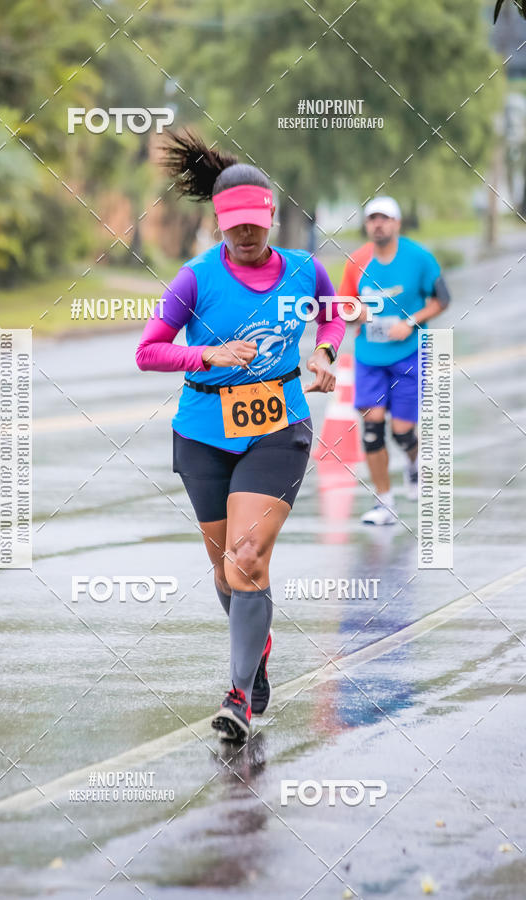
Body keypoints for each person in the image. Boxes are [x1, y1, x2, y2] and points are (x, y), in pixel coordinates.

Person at [135, 130, 345, 741]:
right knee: (228, 572)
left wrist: (326, 351)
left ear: (272, 218)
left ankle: (240, 696)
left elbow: (333, 311)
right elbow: (149, 353)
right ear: (219, 224)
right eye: (235, 226)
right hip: (202, 431)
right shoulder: (194, 280)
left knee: (247, 557)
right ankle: (256, 651)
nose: (247, 235)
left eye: (256, 223)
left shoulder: (306, 270)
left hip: (278, 425)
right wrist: (209, 354)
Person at [339, 196, 451, 525]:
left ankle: (414, 465)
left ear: (397, 223)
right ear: (367, 224)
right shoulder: (355, 261)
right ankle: (385, 503)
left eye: (385, 218)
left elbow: (442, 299)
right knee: (372, 429)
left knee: (403, 431)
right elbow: (344, 309)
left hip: (408, 354)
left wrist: (411, 322)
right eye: (372, 218)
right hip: (369, 358)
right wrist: (354, 313)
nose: (378, 224)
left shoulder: (418, 258)